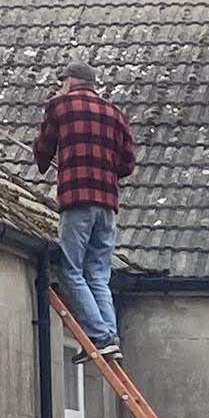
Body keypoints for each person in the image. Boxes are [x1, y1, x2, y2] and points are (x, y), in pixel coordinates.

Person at [33, 63, 136, 351]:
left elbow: (45, 147)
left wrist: (43, 161)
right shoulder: (115, 113)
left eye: (62, 81)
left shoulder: (60, 106)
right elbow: (127, 163)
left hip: (77, 201)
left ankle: (99, 336)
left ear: (70, 81)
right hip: (107, 207)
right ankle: (110, 335)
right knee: (98, 273)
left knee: (71, 270)